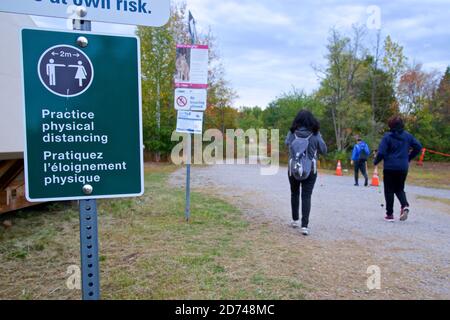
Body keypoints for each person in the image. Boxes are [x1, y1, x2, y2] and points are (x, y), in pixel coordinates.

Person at [285, 110, 327, 235]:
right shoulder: (315, 134)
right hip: (310, 169)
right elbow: (324, 150)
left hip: (293, 168)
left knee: (294, 193)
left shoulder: (292, 133)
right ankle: (305, 226)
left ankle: (294, 220)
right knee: (306, 195)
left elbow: (287, 143)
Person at [374, 116, 422, 222]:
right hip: (403, 167)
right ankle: (404, 206)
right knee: (399, 188)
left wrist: (376, 161)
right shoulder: (408, 136)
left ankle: (390, 214)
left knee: (389, 190)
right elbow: (418, 146)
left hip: (390, 167)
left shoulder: (387, 137)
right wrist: (409, 157)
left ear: (390, 125)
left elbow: (381, 152)